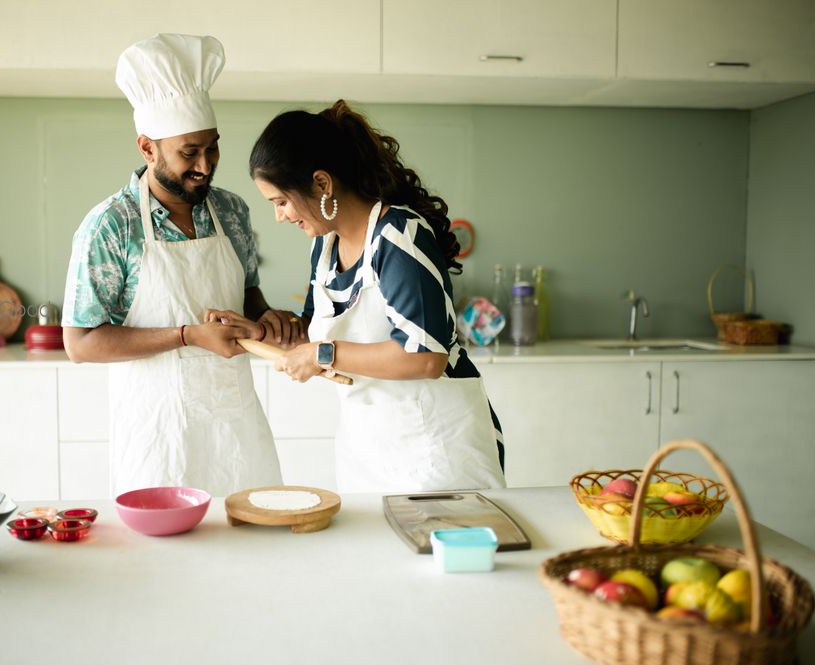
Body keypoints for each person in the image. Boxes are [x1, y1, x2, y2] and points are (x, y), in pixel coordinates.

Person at [62, 34, 300, 497]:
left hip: (236, 431)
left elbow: (250, 298)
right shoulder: (112, 226)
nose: (206, 165)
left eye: (212, 148)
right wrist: (188, 335)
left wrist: (266, 321)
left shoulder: (232, 211)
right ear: (147, 148)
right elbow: (81, 342)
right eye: (188, 152)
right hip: (158, 436)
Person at [248, 100, 506, 493]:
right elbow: (312, 337)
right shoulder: (324, 247)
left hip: (437, 450)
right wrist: (255, 329)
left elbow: (425, 357)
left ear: (321, 183)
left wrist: (322, 354)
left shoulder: (399, 236)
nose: (280, 216)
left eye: (280, 202)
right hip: (367, 450)